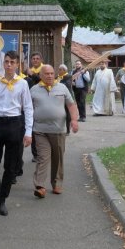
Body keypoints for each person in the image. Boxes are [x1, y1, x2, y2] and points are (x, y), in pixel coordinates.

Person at [0, 50, 33, 216]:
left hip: (14, 124)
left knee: (11, 166)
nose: (9, 65)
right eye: (6, 62)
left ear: (17, 65)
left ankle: (2, 199)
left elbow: (28, 108)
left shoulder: (23, 84)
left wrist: (28, 132)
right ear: (3, 63)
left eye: (12, 62)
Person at [30, 64, 78, 197]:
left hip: (58, 130)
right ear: (40, 75)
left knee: (58, 158)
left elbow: (71, 105)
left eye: (52, 73)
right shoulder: (34, 89)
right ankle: (40, 186)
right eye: (46, 74)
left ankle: (57, 183)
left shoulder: (62, 87)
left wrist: (74, 120)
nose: (50, 76)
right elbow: (28, 108)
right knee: (42, 157)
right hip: (40, 130)